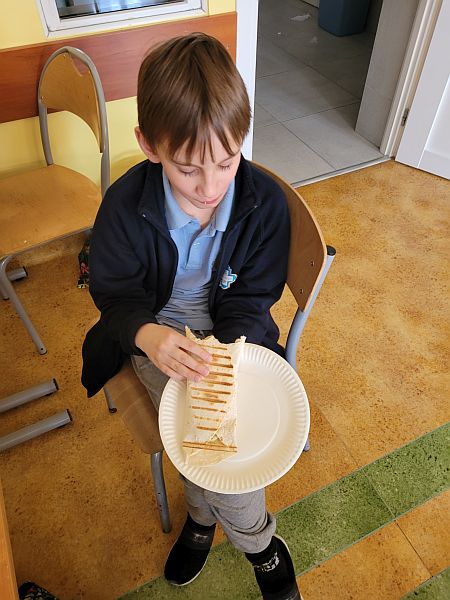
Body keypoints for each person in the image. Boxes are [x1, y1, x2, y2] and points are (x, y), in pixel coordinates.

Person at [82, 33, 302, 600]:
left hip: (235, 334)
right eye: (187, 170)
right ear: (148, 145)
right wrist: (148, 334)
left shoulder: (264, 205)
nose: (209, 188)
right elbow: (114, 294)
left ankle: (213, 523)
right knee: (196, 437)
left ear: (241, 142)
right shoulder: (123, 207)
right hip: (155, 331)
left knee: (220, 435)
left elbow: (253, 298)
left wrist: (224, 356)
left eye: (227, 163)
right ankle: (261, 545)